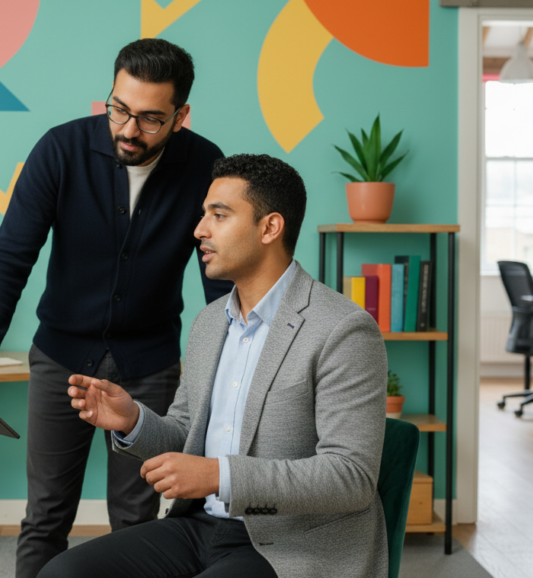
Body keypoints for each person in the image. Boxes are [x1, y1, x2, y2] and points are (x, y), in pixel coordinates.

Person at [41, 154, 389, 578]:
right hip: (200, 525)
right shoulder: (209, 322)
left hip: (290, 540)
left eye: (218, 216)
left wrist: (220, 475)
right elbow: (186, 434)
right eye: (204, 214)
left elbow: (350, 477)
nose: (199, 230)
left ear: (270, 228)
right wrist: (132, 420)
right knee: (64, 573)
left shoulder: (343, 329)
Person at [0, 39, 231, 578]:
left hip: (149, 367)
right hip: (60, 359)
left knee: (135, 521)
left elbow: (219, 280)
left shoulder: (206, 165)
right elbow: (11, 256)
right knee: (46, 515)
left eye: (150, 119)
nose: (128, 129)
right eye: (118, 109)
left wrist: (226, 374)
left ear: (180, 116)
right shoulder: (60, 150)